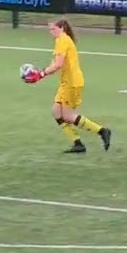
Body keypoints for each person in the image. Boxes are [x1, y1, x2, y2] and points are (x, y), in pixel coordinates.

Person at [22, 17, 113, 154]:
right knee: (56, 112)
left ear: (61, 28)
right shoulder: (61, 40)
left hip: (72, 83)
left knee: (68, 116)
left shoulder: (62, 40)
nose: (51, 31)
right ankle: (78, 144)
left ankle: (102, 131)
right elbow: (56, 65)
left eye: (53, 28)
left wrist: (40, 75)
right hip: (66, 83)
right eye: (49, 29)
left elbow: (58, 64)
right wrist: (39, 73)